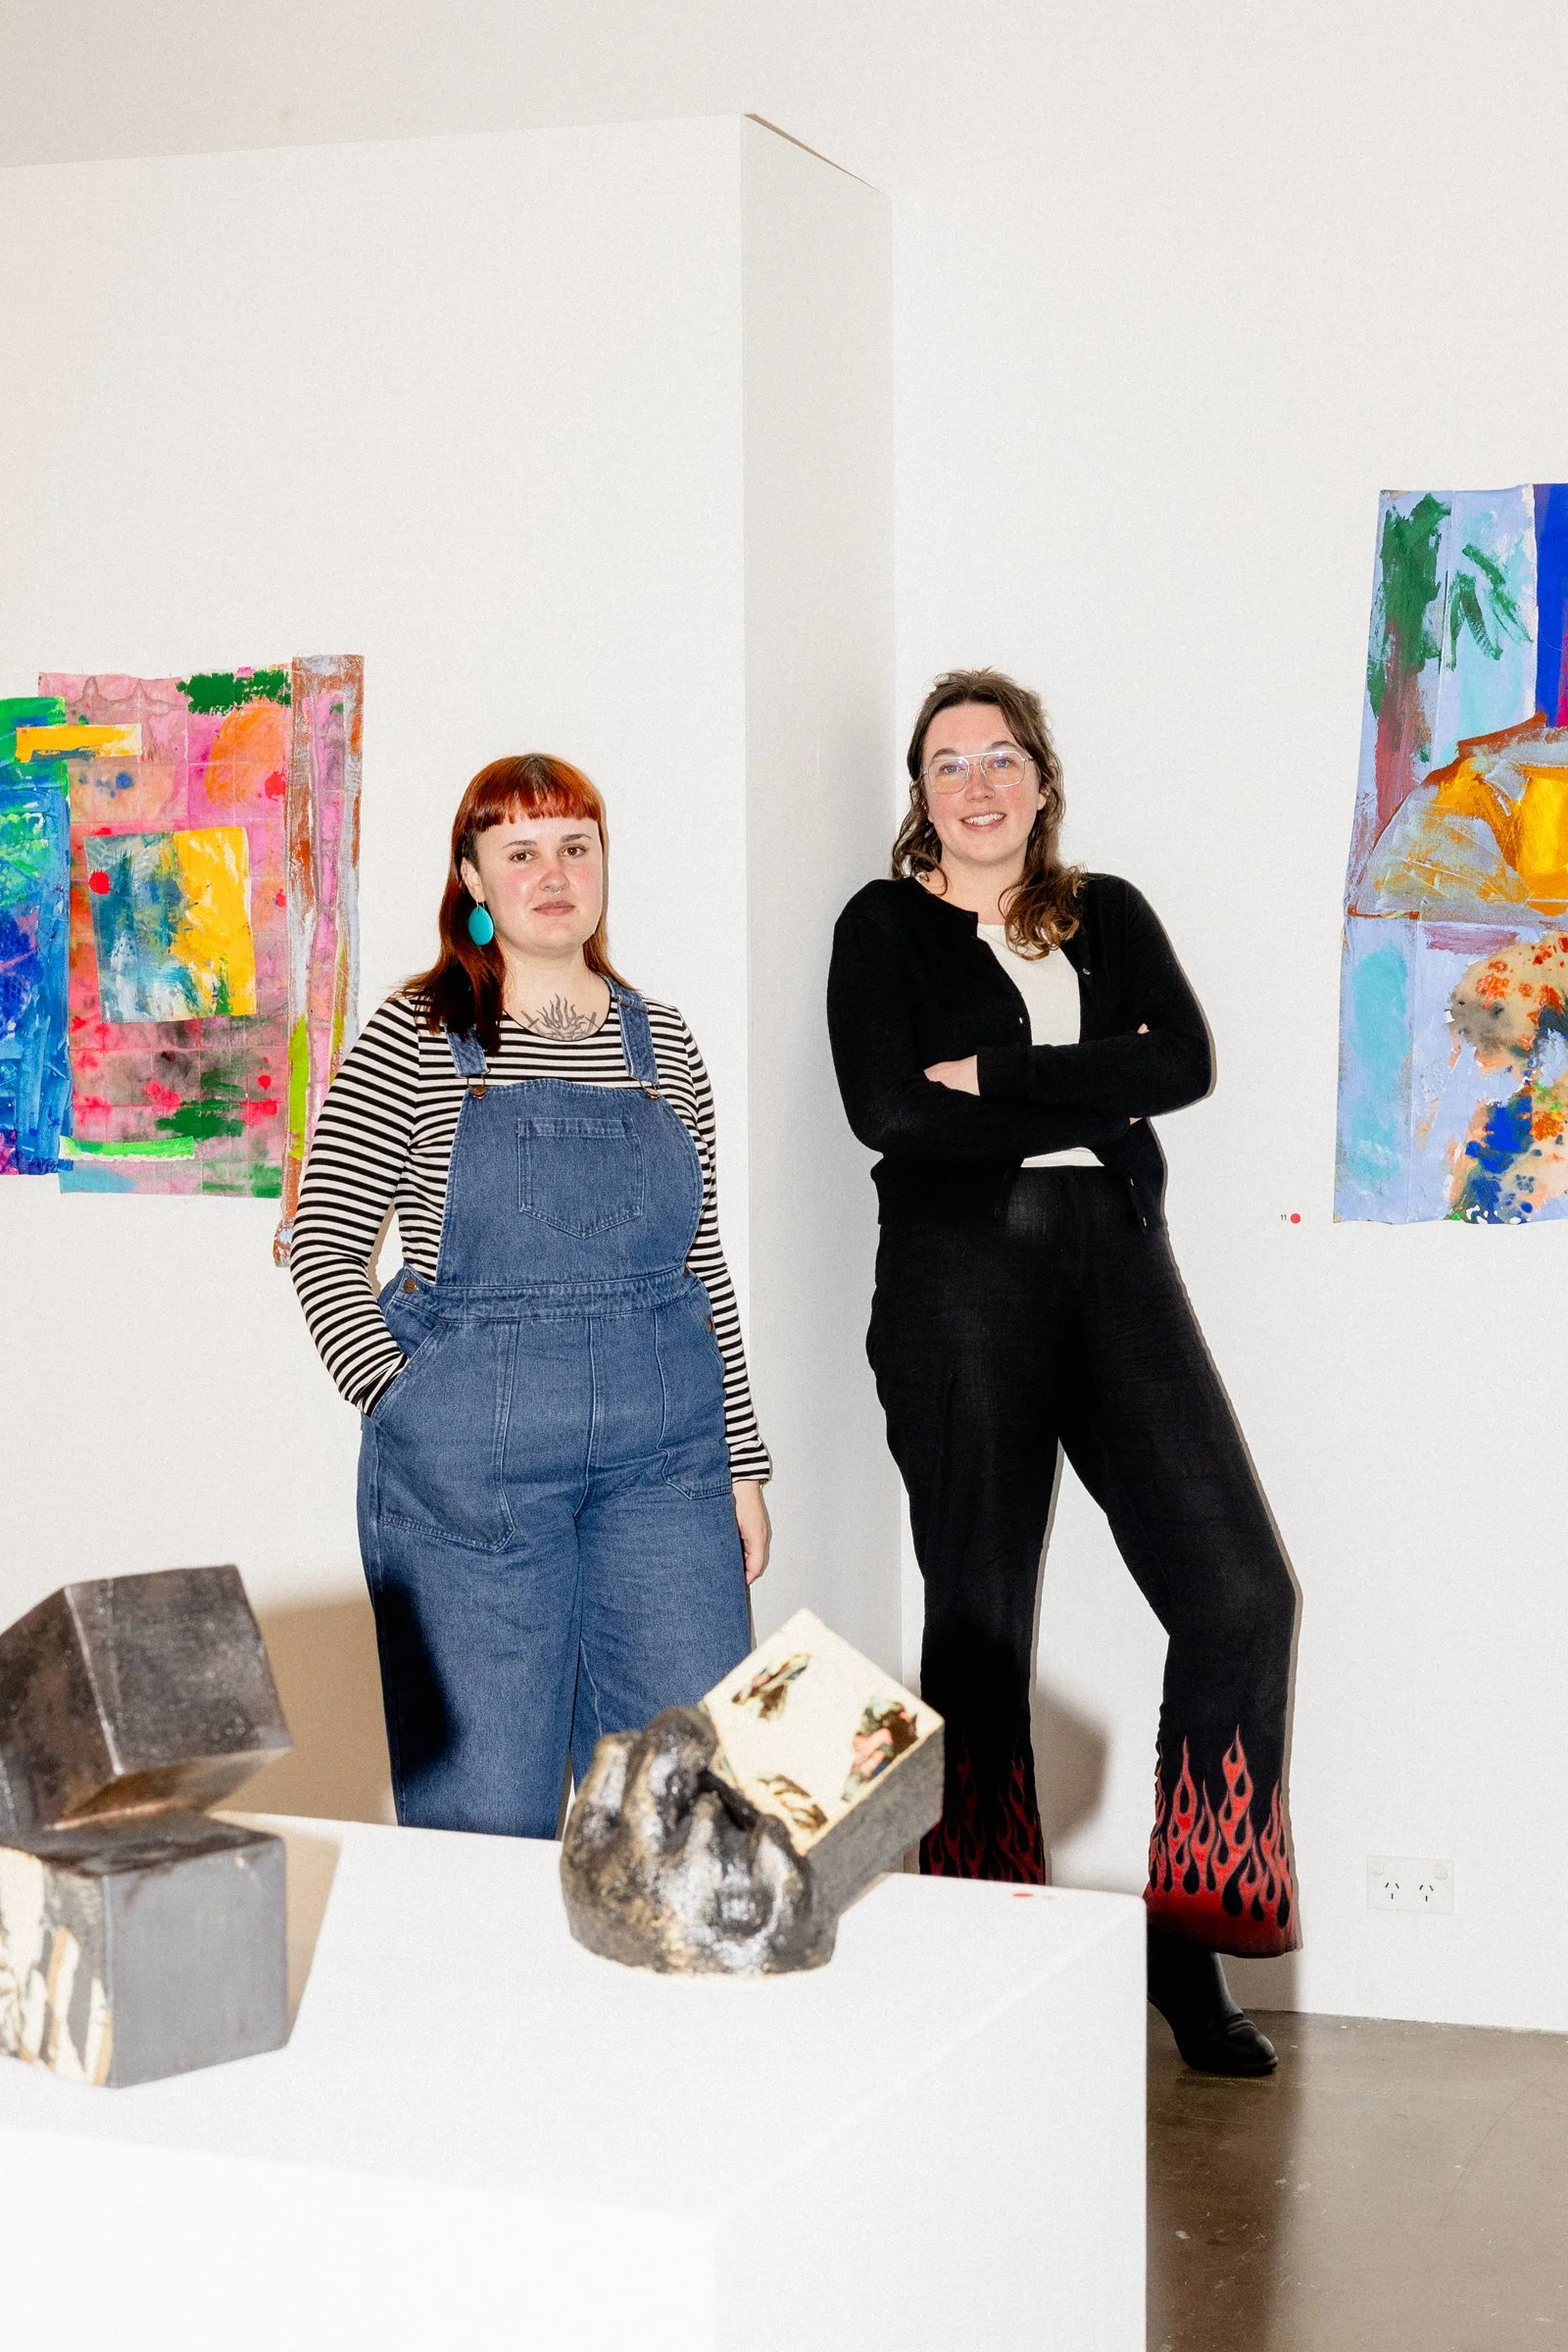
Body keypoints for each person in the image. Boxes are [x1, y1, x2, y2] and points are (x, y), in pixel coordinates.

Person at [827, 668, 1298, 2076]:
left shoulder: (1108, 912)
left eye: (1001, 757)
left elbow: (1188, 1062)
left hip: (1115, 1255)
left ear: (1042, 778)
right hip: (958, 1275)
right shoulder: (881, 926)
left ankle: (1186, 1935)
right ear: (921, 797)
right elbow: (886, 1109)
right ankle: (976, 1955)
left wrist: (1003, 1078)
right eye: (946, 763)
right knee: (979, 1620)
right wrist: (1092, 1076)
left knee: (1242, 1593)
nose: (977, 784)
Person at [290, 753, 768, 1837]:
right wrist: (411, 1404)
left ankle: (665, 2013)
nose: (553, 874)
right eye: (519, 851)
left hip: (666, 1466)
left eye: (575, 846)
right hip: (471, 1479)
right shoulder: (417, 1036)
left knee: (688, 1806)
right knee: (482, 1813)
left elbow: (702, 1269)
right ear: (472, 877)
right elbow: (323, 1242)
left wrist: (740, 1463)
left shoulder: (665, 1044)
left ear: (603, 864)